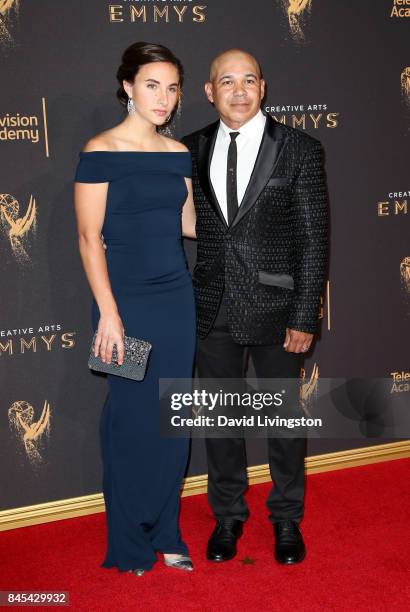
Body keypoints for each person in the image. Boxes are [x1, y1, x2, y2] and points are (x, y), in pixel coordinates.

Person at [182, 49, 328, 565]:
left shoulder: (300, 148)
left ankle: (287, 516)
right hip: (212, 304)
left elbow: (314, 240)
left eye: (249, 80)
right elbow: (184, 223)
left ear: (263, 87)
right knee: (220, 419)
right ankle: (228, 516)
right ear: (209, 91)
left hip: (278, 306)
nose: (239, 90)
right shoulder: (189, 148)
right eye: (227, 81)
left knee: (284, 420)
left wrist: (304, 315)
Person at [74, 42, 196, 576]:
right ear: (127, 86)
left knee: (174, 417)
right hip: (122, 306)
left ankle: (166, 529)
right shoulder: (99, 150)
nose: (164, 97)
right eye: (152, 85)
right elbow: (87, 237)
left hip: (176, 302)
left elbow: (190, 224)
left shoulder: (178, 154)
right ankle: (127, 539)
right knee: (129, 420)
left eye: (172, 88)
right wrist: (108, 313)